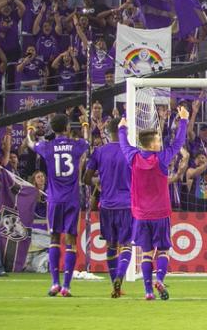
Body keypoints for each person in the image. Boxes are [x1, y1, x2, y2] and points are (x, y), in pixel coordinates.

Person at [118, 105, 189, 301]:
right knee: (164, 250)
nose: (160, 142)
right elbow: (178, 143)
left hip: (141, 215)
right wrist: (183, 120)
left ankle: (148, 291)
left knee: (147, 253)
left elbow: (123, 143)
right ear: (151, 145)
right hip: (161, 214)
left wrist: (121, 128)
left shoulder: (133, 157)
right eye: (157, 140)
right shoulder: (161, 159)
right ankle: (160, 278)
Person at [26, 113, 88, 297]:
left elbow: (30, 143)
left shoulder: (47, 146)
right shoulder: (77, 145)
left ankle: (55, 283)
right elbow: (87, 140)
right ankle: (67, 287)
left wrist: (30, 127)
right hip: (71, 199)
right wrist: (84, 122)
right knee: (70, 241)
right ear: (68, 128)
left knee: (54, 238)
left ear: (53, 129)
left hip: (54, 198)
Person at [83, 122, 133, 298]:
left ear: (106, 132)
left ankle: (114, 285)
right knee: (126, 245)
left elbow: (86, 178)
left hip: (106, 205)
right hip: (127, 204)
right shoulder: (130, 152)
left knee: (111, 245)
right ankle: (120, 276)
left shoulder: (99, 152)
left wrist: (100, 184)